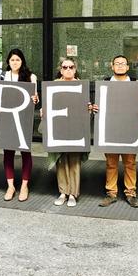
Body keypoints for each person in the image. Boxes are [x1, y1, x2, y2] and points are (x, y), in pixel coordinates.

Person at [96, 55, 138, 208]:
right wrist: (95, 108)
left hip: (129, 128)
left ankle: (131, 193)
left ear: (128, 67)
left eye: (123, 64)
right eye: (117, 63)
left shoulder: (135, 85)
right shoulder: (104, 85)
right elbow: (98, 105)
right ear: (112, 66)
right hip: (111, 129)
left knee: (130, 162)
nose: (121, 66)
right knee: (111, 163)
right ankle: (111, 193)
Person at [0, 49, 38, 202]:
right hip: (7, 118)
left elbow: (35, 97)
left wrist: (35, 99)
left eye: (18, 60)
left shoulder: (31, 77)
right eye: (12, 60)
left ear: (22, 61)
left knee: (25, 151)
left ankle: (25, 186)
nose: (15, 62)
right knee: (8, 152)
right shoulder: (3, 76)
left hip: (24, 118)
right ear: (8, 61)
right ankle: (11, 186)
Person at [48, 57, 89, 208]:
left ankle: (73, 193)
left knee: (74, 161)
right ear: (60, 70)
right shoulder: (53, 85)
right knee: (61, 160)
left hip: (76, 128)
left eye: (71, 67)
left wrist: (89, 108)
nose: (68, 70)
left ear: (75, 69)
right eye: (65, 67)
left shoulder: (80, 86)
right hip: (59, 127)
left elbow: (85, 107)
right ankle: (63, 192)